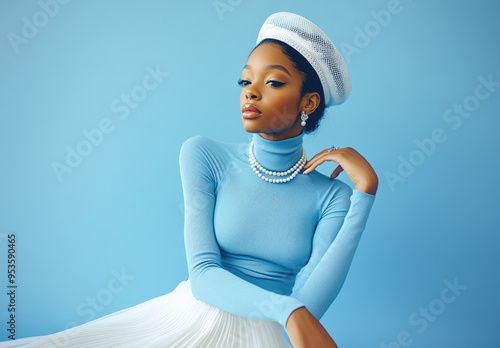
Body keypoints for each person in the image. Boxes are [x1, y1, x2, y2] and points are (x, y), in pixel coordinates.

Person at [0, 12, 378, 348]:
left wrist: (365, 193)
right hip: (194, 318)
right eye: (245, 80)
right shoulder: (205, 155)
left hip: (268, 336)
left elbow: (311, 307)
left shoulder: (333, 197)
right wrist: (288, 312)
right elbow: (203, 275)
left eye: (274, 82)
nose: (251, 91)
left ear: (308, 103)